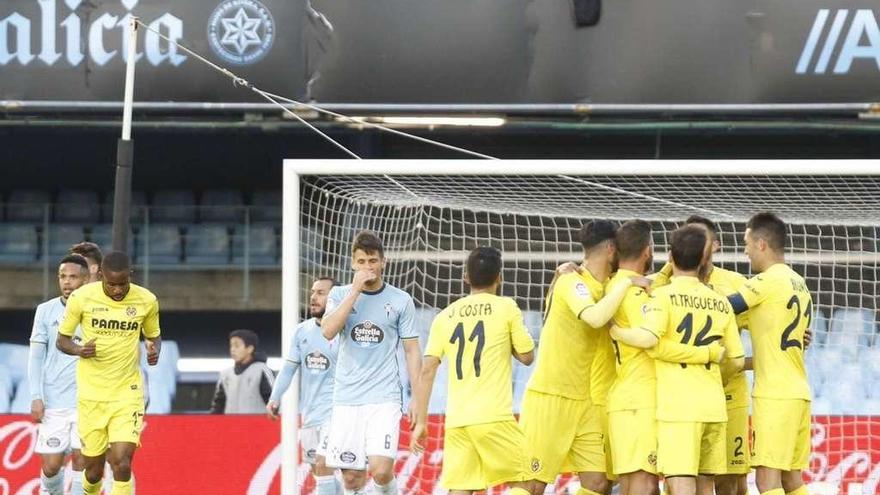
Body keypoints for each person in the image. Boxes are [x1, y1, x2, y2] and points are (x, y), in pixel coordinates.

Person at [610, 225, 745, 495]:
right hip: (715, 406)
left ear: (670, 257)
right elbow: (737, 360)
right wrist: (715, 372)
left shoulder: (661, 296)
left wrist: (617, 331)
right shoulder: (720, 302)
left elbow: (651, 341)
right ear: (703, 260)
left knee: (681, 482)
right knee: (706, 485)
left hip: (680, 408)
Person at [519, 221, 651, 495]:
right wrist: (626, 282)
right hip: (550, 396)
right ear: (611, 248)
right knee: (532, 485)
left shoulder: (604, 287)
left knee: (598, 483)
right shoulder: (572, 282)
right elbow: (594, 318)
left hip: (585, 401)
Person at [410, 246, 534, 495]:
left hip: (457, 421)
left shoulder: (444, 317)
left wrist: (421, 422)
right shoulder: (506, 307)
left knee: (461, 491)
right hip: (493, 417)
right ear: (500, 276)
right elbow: (527, 357)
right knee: (529, 482)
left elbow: (427, 371)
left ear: (465, 277)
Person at [320, 231, 422, 495]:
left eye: (373, 261)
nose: (368, 267)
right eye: (362, 261)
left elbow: (412, 350)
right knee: (352, 479)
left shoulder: (401, 300)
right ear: (353, 264)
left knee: (380, 470)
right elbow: (328, 330)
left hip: (384, 398)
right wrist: (354, 291)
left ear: (383, 262)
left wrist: (417, 399)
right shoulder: (340, 293)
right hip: (346, 398)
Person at [56, 251, 161, 495]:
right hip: (92, 396)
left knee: (122, 462)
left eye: (122, 283)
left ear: (130, 276)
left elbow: (154, 335)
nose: (117, 290)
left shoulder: (146, 300)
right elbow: (62, 340)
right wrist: (79, 350)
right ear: (100, 275)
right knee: (92, 470)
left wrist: (154, 349)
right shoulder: (82, 298)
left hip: (127, 393)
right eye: (111, 284)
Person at [726, 213, 813, 495]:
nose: (745, 249)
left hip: (774, 395)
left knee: (767, 480)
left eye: (747, 242)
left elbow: (722, 307)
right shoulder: (799, 283)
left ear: (761, 244)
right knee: (791, 479)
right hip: (798, 391)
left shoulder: (765, 282)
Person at [267, 277, 341, 495]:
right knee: (319, 471)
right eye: (313, 292)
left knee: (323, 463)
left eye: (320, 292)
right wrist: (275, 397)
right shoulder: (302, 331)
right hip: (310, 415)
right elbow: (289, 368)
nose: (313, 297)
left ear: (335, 297)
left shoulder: (344, 331)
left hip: (337, 414)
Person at [29, 254, 90, 495]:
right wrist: (36, 395)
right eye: (62, 276)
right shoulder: (45, 311)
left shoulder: (96, 312)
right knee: (52, 466)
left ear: (85, 280)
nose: (66, 282)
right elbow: (35, 356)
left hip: (86, 401)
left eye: (73, 277)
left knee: (81, 461)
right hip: (54, 400)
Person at [211, 329, 274, 414]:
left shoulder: (262, 371)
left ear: (250, 349)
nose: (232, 350)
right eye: (231, 346)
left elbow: (274, 402)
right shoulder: (225, 375)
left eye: (237, 346)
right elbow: (218, 406)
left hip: (257, 426)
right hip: (231, 426)